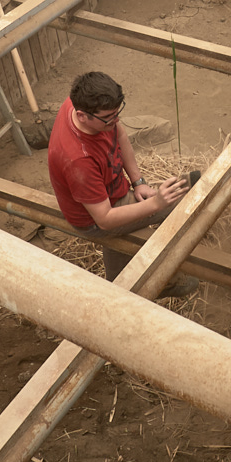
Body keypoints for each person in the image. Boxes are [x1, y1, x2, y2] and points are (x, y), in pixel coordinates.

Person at [47, 71, 199, 296]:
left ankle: (120, 284)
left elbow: (121, 136)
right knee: (187, 197)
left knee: (186, 186)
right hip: (95, 220)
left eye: (117, 113)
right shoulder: (78, 160)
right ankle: (166, 284)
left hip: (112, 193)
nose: (116, 120)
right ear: (82, 116)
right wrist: (156, 203)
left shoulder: (79, 103)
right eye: (109, 117)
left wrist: (138, 182)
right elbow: (106, 220)